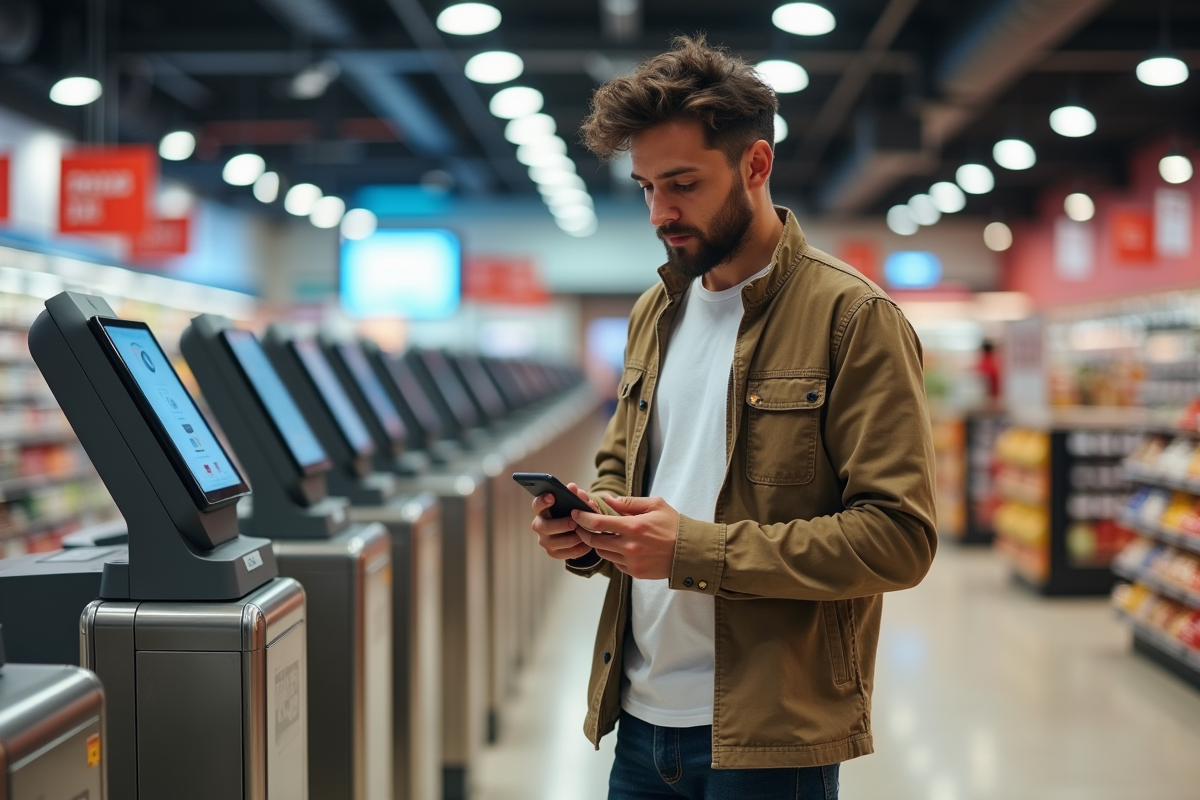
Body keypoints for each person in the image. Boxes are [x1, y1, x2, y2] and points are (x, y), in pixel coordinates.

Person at [528, 35, 937, 800]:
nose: (660, 212)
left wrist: (694, 551)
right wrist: (588, 530)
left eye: (681, 183)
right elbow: (623, 469)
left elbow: (899, 539)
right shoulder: (656, 308)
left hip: (770, 735)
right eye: (646, 186)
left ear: (755, 165)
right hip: (640, 721)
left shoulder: (852, 318)